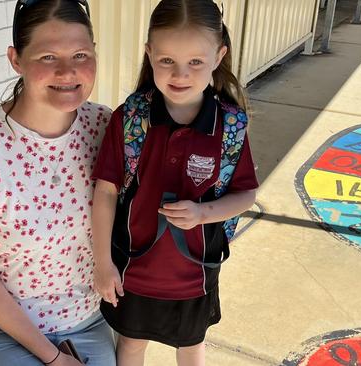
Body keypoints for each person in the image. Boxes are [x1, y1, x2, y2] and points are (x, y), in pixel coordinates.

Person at [0, 1, 116, 365]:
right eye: (48, 57)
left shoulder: (104, 127)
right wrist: (54, 359)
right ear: (16, 59)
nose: (68, 72)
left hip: (84, 319)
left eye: (81, 54)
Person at [91, 0, 259, 365]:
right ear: (150, 54)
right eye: (167, 60)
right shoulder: (131, 119)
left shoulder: (229, 126)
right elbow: (105, 191)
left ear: (219, 56)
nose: (180, 74)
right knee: (131, 344)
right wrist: (103, 263)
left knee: (191, 347)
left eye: (195, 62)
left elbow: (246, 193)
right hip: (133, 270)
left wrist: (204, 212)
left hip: (194, 274)